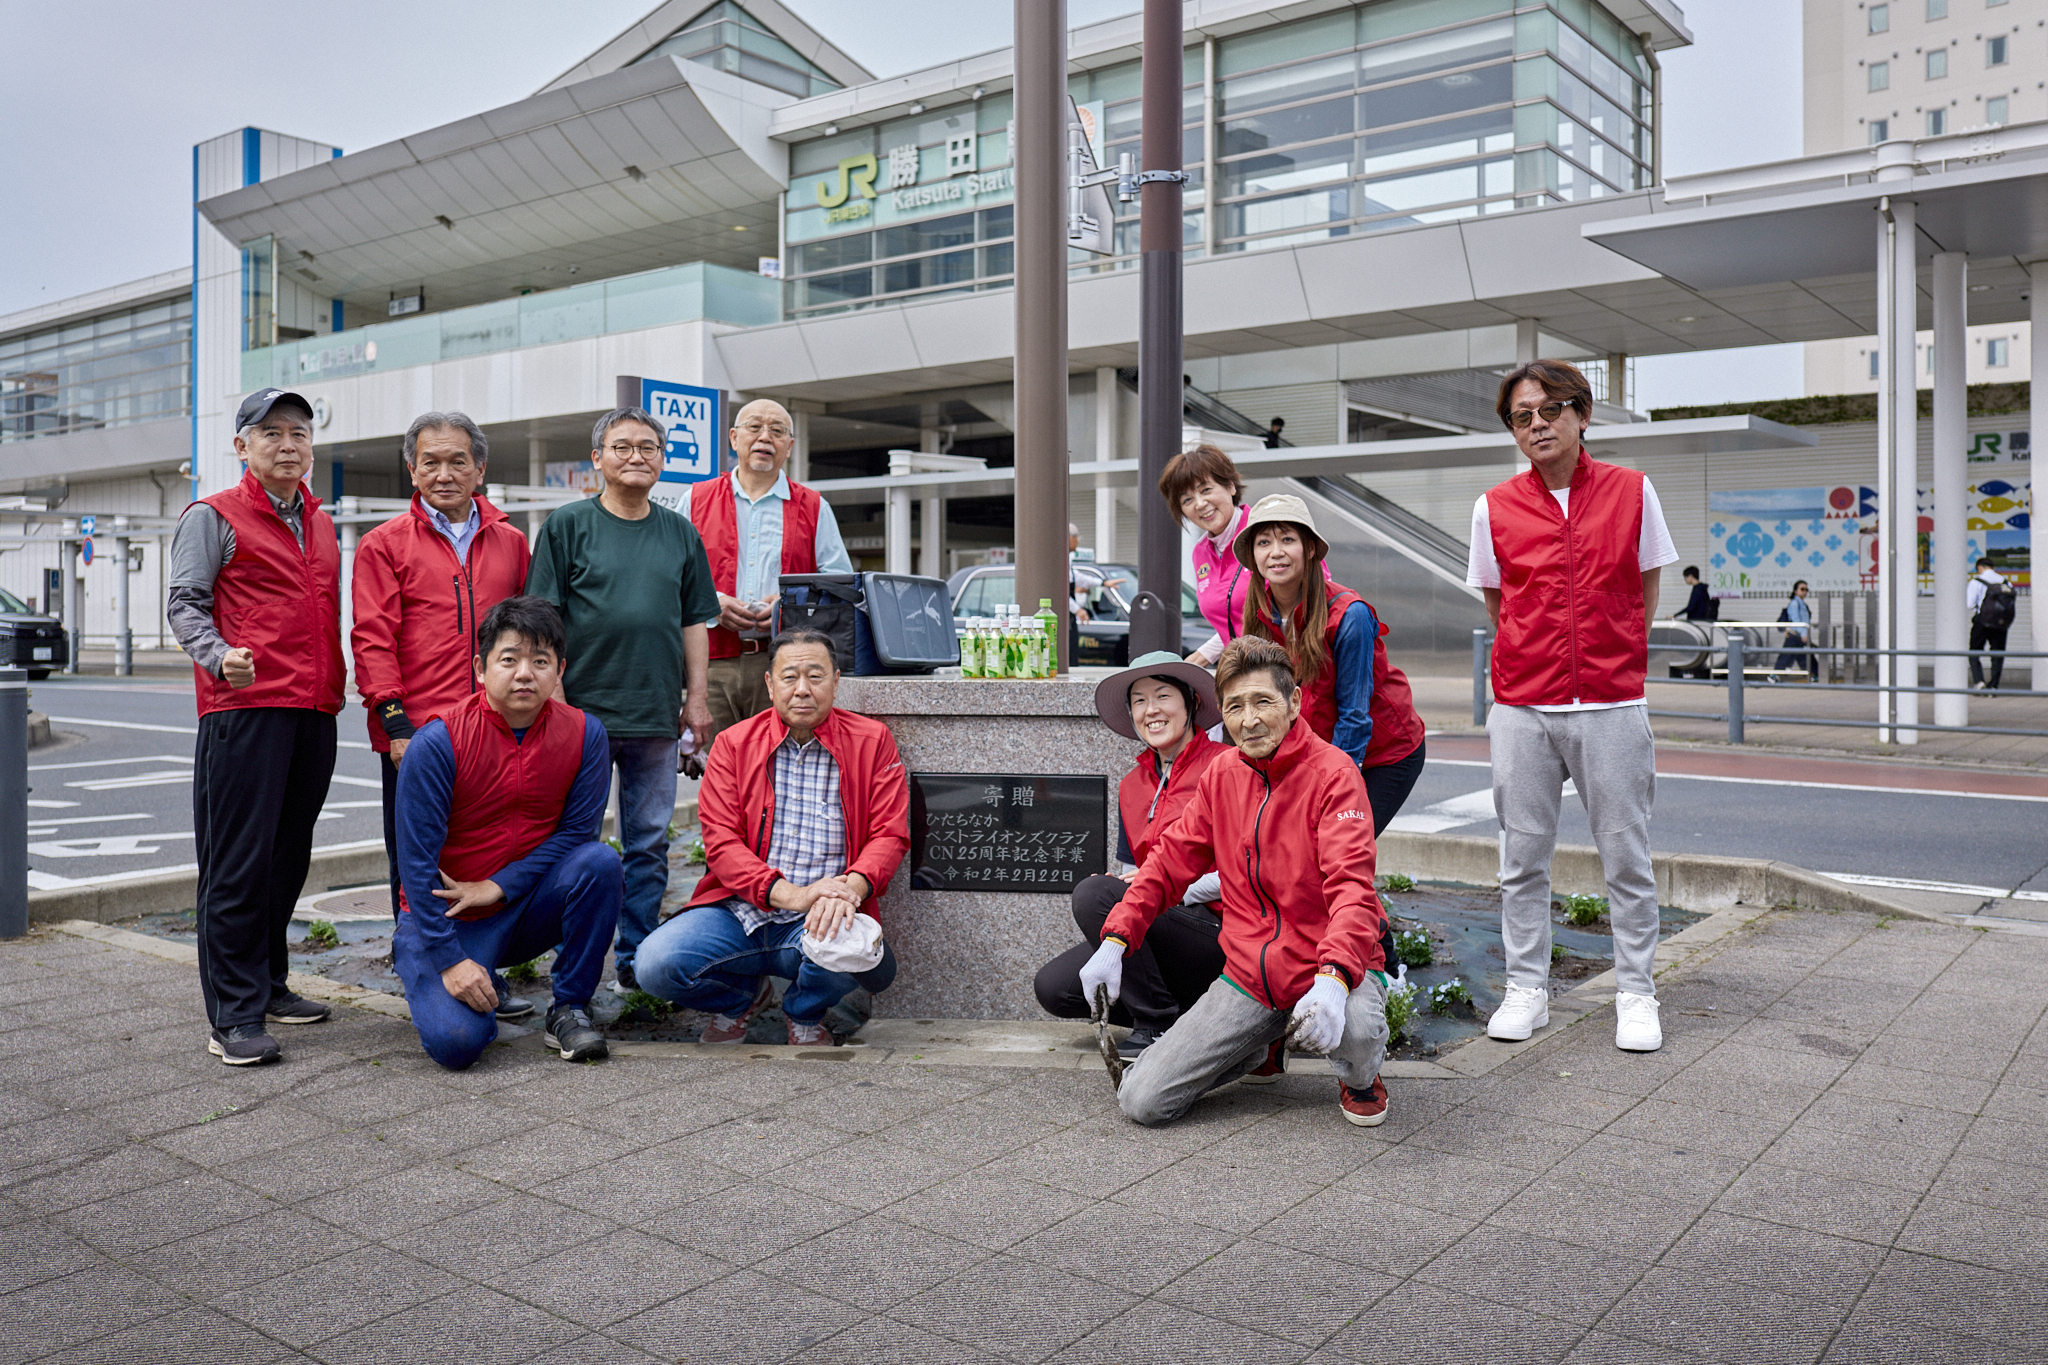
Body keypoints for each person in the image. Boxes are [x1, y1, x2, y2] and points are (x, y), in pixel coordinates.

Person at [1084, 637, 1392, 1127]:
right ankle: (1261, 1043)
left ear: (1293, 703)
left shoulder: (1334, 773)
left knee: (1354, 1030)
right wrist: (1116, 940)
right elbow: (1166, 864)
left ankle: (1360, 1077)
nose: (1249, 720)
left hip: (1328, 964)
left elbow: (1352, 888)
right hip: (1251, 974)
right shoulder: (1222, 774)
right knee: (1141, 1101)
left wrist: (1334, 978)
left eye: (1263, 701)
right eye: (1235, 706)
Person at [1466, 359, 1677, 1054]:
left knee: (1626, 853)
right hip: (1523, 701)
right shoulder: (1492, 507)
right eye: (1522, 416)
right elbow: (1501, 603)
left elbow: (1643, 591)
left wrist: (1605, 649)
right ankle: (1528, 987)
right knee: (1521, 856)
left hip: (1613, 699)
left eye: (1550, 410)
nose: (1538, 424)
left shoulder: (1632, 492)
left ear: (1582, 414)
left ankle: (1637, 990)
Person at [169, 388, 344, 1066]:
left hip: (313, 709)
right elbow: (185, 605)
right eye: (271, 432)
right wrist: (220, 657)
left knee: (286, 856)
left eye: (299, 432)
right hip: (243, 710)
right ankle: (233, 1016)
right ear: (242, 445)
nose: (289, 443)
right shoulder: (213, 515)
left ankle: (270, 985)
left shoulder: (321, 522)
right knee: (237, 865)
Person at [636, 628, 908, 1046]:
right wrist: (792, 895)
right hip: (739, 913)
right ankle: (740, 999)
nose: (802, 690)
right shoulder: (733, 744)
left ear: (836, 682)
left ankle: (803, 1012)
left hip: (824, 916)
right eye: (789, 677)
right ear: (769, 683)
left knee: (854, 957)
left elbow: (889, 833)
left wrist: (847, 892)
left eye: (815, 677)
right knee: (654, 964)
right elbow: (722, 845)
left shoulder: (872, 741)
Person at [527, 406, 720, 993]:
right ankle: (576, 969)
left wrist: (698, 699)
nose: (636, 456)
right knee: (575, 849)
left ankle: (636, 962)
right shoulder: (566, 526)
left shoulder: (680, 532)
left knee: (648, 847)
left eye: (648, 448)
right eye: (622, 447)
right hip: (581, 718)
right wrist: (556, 702)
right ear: (598, 459)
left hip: (656, 716)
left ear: (663, 460)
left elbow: (695, 623)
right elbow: (545, 621)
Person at [392, 597, 620, 1069]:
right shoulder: (437, 742)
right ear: (481, 667)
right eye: (509, 659)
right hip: (446, 916)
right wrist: (450, 960)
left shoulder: (585, 734)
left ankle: (570, 1007)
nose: (524, 674)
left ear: (560, 671)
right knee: (457, 1044)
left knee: (599, 862)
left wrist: (498, 886)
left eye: (540, 662)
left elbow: (578, 834)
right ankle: (463, 976)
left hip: (521, 907)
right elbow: (414, 863)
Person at [351, 413, 531, 975]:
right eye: (430, 461)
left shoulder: (512, 542)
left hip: (497, 728)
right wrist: (397, 725)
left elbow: (529, 635)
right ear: (412, 468)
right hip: (419, 732)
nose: (444, 473)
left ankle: (488, 966)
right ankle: (425, 970)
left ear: (480, 468)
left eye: (458, 461)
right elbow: (372, 639)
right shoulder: (383, 545)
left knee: (492, 851)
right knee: (416, 857)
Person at [1033, 651, 1230, 1057]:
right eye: (1139, 700)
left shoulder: (1227, 766)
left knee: (1094, 895)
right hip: (1157, 920)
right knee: (1055, 990)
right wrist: (1133, 883)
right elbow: (1133, 871)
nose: (1151, 710)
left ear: (1192, 702)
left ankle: (1155, 1023)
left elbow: (1246, 871)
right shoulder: (1132, 785)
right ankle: (1185, 1015)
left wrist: (1167, 888)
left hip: (1218, 932)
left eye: (1162, 696)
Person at [1237, 494, 1427, 834]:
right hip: (1319, 749)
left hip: (1385, 753)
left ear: (1310, 549)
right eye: (1263, 542)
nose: (1275, 551)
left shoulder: (1349, 614)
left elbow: (1354, 717)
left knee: (1338, 844)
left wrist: (1331, 786)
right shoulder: (1259, 614)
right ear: (1253, 555)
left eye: (1288, 539)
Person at [686, 398, 851, 744]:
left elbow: (841, 587)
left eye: (777, 431)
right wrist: (712, 603)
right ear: (733, 438)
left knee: (781, 770)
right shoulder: (694, 500)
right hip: (710, 665)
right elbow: (670, 578)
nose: (765, 437)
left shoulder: (814, 506)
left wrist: (788, 606)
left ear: (789, 447)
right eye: (755, 427)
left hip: (786, 668)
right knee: (720, 776)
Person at [1968, 557, 2015, 691]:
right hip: (2001, 623)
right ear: (1993, 568)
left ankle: (1979, 682)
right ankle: (1994, 686)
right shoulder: (2006, 582)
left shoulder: (1976, 582)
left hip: (1981, 622)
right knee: (1997, 654)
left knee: (1974, 652)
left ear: (1979, 567)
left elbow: (1970, 604)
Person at [1673, 566, 1715, 679]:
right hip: (1704, 623)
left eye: (1685, 577)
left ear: (1690, 576)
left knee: (1694, 648)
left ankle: (1693, 671)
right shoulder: (1704, 589)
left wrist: (1675, 615)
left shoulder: (1697, 590)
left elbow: (1690, 607)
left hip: (1697, 623)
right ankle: (1700, 671)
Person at [1773, 580, 1816, 681]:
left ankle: (1813, 675)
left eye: (1806, 589)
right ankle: (1774, 675)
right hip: (1796, 635)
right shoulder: (1794, 604)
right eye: (1802, 589)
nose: (1804, 592)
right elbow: (1797, 620)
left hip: (1799, 635)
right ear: (1795, 591)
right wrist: (1804, 634)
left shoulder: (1802, 604)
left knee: (1802, 656)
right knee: (1787, 656)